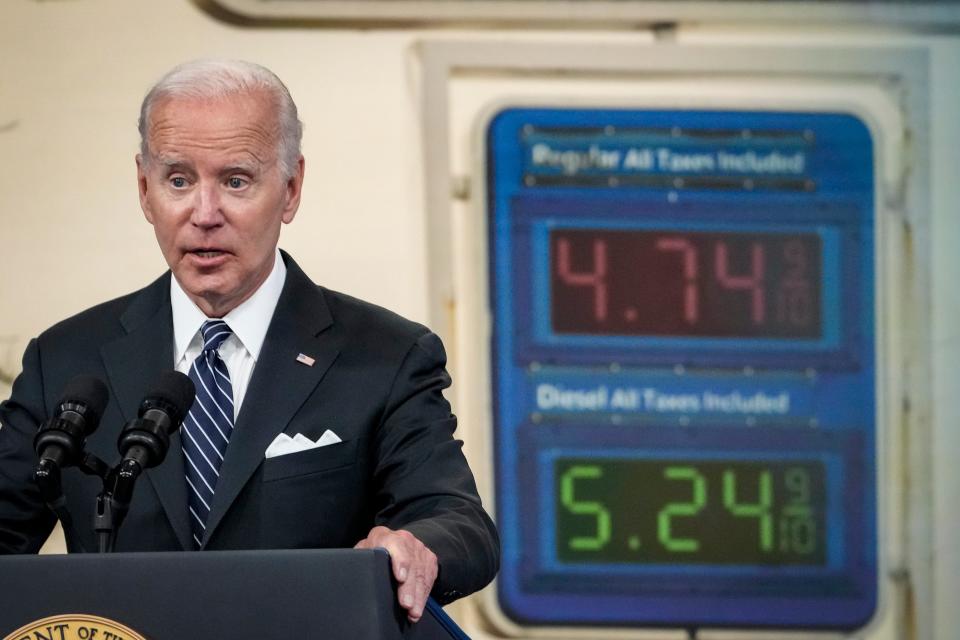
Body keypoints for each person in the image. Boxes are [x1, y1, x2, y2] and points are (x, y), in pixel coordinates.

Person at [0, 59, 499, 622]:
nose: (204, 214)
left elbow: (458, 521)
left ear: (290, 189)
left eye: (236, 180)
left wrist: (417, 548)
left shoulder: (385, 357)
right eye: (179, 180)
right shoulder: (66, 359)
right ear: (145, 189)